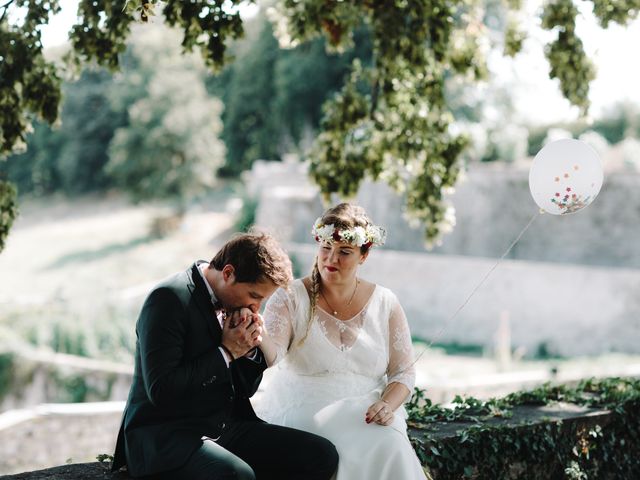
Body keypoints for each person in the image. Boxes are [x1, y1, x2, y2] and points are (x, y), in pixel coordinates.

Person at [112, 231, 339, 480]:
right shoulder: (169, 298)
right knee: (237, 475)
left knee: (320, 455)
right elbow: (162, 390)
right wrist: (227, 351)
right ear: (228, 273)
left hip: (225, 426)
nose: (256, 308)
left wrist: (249, 350)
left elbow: (244, 390)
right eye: (254, 296)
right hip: (167, 435)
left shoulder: (235, 306)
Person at [255, 203, 430, 479]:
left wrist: (387, 405)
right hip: (306, 412)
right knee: (337, 451)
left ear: (364, 254)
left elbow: (403, 371)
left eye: (344, 252)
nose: (331, 259)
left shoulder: (386, 303)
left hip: (367, 413)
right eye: (325, 248)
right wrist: (256, 332)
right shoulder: (290, 297)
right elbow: (273, 352)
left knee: (391, 444)